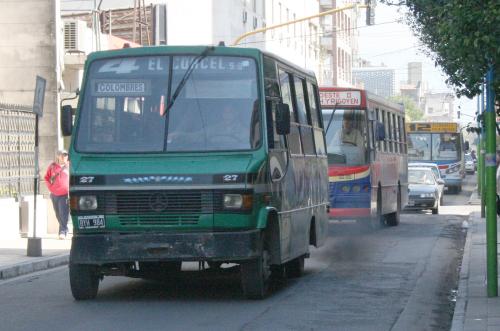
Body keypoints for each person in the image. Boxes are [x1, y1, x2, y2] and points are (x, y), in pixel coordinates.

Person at [44, 149, 70, 239]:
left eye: (65, 155)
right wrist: (50, 188)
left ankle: (63, 231)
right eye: (62, 155)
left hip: (65, 194)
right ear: (58, 156)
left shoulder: (69, 166)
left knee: (63, 212)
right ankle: (64, 229)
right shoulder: (52, 166)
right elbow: (46, 177)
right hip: (54, 194)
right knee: (57, 213)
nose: (64, 157)